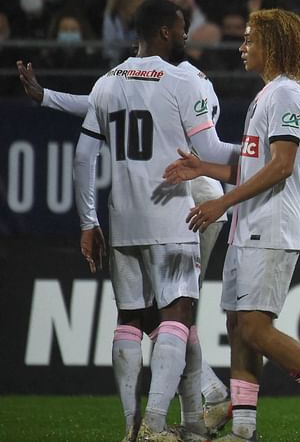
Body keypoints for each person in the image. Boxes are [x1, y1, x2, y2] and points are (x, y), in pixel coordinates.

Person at [163, 8, 300, 442]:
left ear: (271, 45)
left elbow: (282, 166)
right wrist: (205, 168)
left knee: (254, 327)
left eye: (251, 39)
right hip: (249, 225)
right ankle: (245, 428)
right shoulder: (269, 94)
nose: (242, 46)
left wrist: (222, 205)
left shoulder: (288, 94)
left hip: (271, 227)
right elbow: (254, 165)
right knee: (238, 328)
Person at [17, 56, 234, 437]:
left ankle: (171, 415)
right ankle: (204, 404)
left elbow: (99, 112)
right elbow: (101, 104)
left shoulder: (150, 77)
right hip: (180, 200)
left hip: (185, 200)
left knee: (163, 314)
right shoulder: (181, 78)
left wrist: (48, 97)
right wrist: (46, 96)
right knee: (176, 315)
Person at [74, 0, 243, 441]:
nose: (186, 35)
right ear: (166, 31)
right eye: (182, 28)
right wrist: (262, 155)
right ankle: (154, 425)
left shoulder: (106, 83)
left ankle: (131, 429)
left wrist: (88, 222)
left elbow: (83, 157)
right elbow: (209, 153)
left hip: (122, 218)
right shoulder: (181, 80)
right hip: (172, 215)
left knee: (129, 319)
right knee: (177, 313)